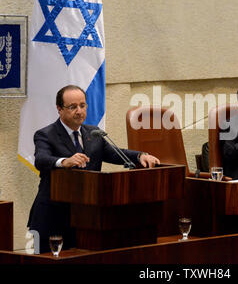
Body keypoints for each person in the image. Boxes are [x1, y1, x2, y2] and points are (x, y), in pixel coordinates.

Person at [27, 85, 160, 253]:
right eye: (72, 107)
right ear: (59, 109)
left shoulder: (94, 133)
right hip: (53, 216)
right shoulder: (46, 134)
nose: (79, 111)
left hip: (87, 218)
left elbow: (115, 153)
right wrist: (64, 161)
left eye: (82, 106)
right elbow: (41, 159)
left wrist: (140, 156)